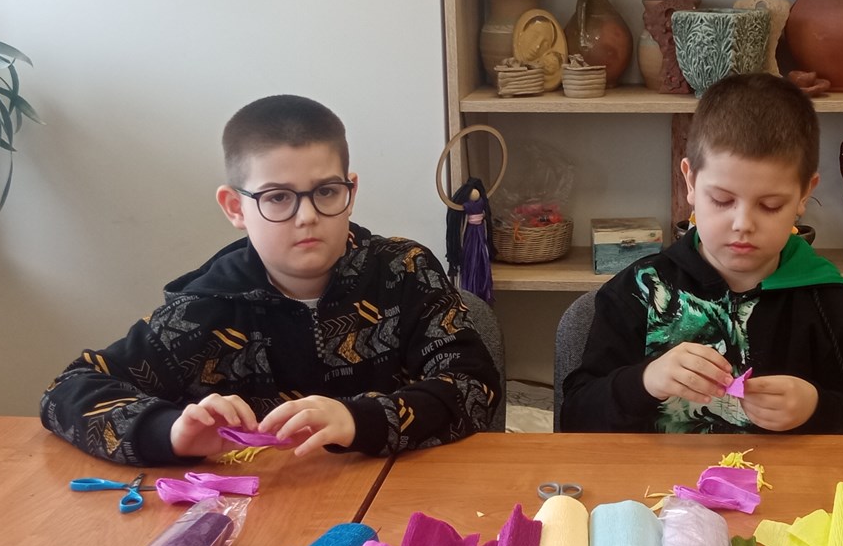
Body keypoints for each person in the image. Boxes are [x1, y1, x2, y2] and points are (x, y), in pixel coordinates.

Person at [41, 95, 500, 465]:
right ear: (235, 208)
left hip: (397, 498)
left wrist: (358, 420)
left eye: (326, 191)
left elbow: (474, 385)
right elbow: (69, 389)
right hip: (261, 512)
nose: (307, 216)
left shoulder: (406, 271)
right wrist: (170, 431)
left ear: (351, 191)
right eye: (277, 197)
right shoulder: (200, 311)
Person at [561, 73, 843, 434]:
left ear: (804, 195)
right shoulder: (639, 290)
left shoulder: (831, 304)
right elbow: (575, 417)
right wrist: (646, 380)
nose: (743, 224)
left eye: (770, 205)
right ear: (690, 181)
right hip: (656, 473)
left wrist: (815, 408)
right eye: (721, 200)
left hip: (788, 474)